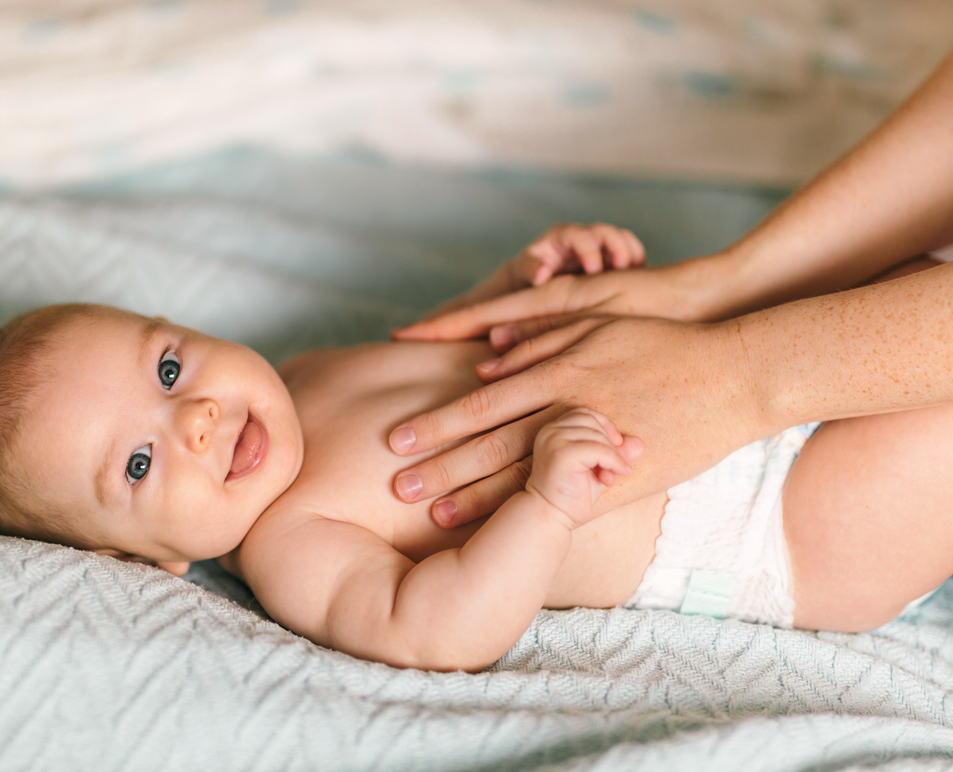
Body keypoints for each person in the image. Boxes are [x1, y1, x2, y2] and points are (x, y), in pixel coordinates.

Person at [0, 234, 951, 672]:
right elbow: (437, 628)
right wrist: (545, 508)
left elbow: (450, 344)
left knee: (913, 280)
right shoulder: (293, 544)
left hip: (731, 371)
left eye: (168, 370)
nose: (196, 418)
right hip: (765, 525)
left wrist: (520, 279)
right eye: (138, 465)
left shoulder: (306, 373)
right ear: (149, 560)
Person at [388, 51, 953, 535]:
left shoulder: (299, 402)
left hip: (745, 492)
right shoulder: (301, 529)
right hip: (771, 517)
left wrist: (733, 373)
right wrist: (726, 287)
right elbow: (428, 632)